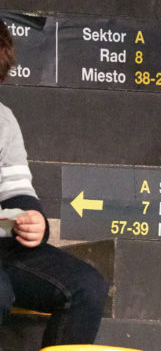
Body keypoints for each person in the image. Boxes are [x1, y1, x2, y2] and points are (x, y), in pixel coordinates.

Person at [0, 22, 109, 345]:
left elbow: (17, 191)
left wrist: (33, 223)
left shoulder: (3, 120)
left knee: (87, 286)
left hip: (4, 246)